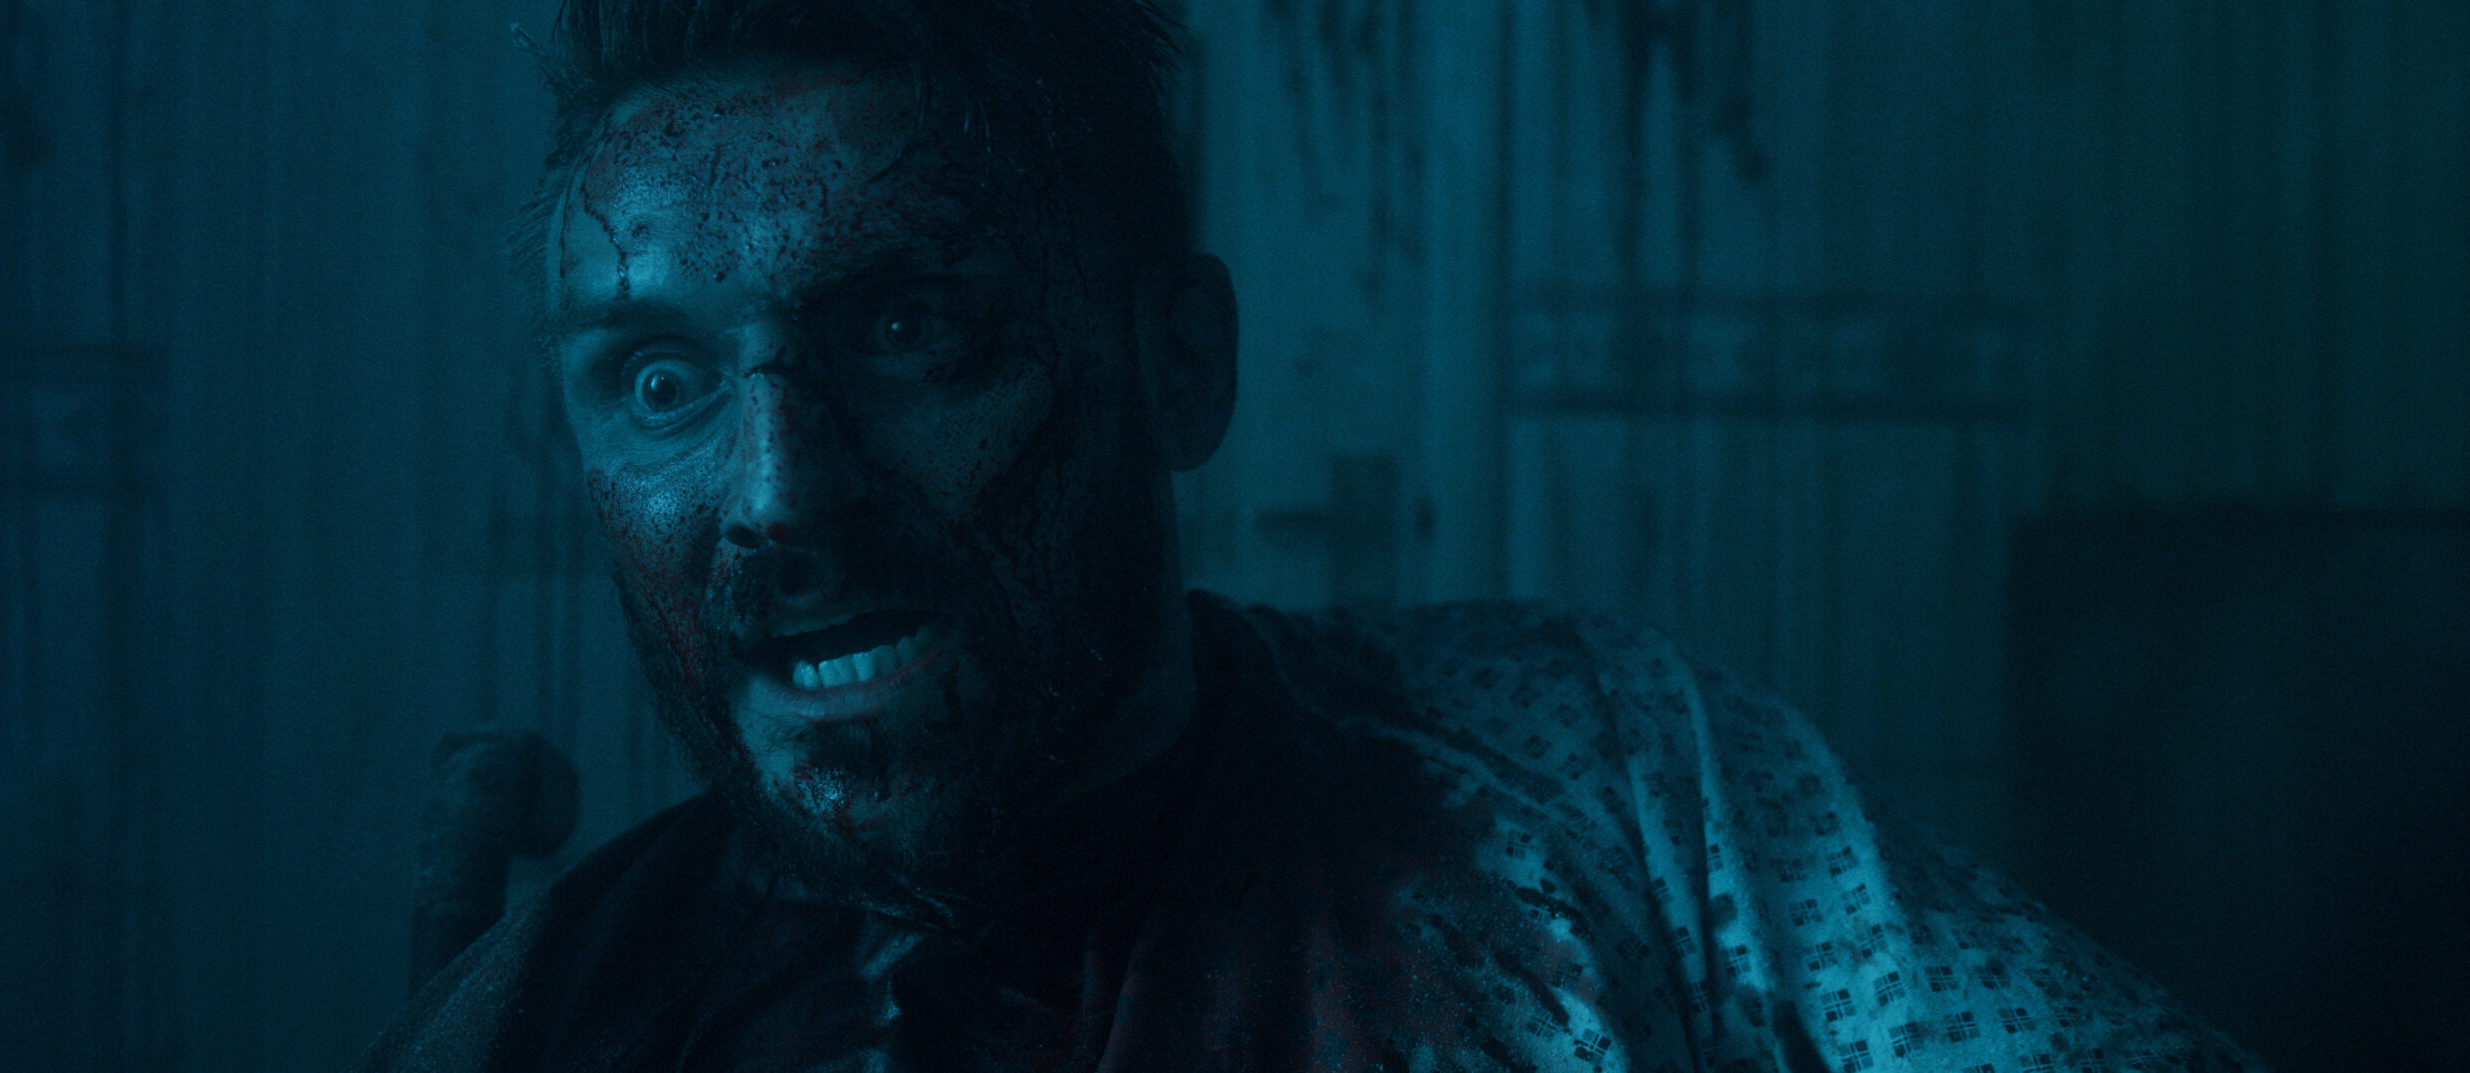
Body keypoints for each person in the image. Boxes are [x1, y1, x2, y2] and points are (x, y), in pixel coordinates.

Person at [360, 1, 2262, 1069]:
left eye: (912, 330)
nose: (784, 491)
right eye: (662, 378)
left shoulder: (1600, 775)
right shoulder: (548, 1018)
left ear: (1179, 361)